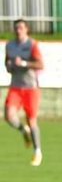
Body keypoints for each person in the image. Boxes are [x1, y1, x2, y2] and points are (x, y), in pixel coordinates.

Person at [6, 19, 44, 166]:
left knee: (32, 120)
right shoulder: (10, 45)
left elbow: (40, 64)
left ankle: (37, 152)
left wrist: (23, 63)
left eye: (21, 28)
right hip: (15, 86)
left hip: (30, 87)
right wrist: (9, 65)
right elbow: (7, 63)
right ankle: (23, 131)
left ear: (27, 29)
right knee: (9, 116)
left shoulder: (32, 44)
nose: (18, 30)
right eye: (16, 28)